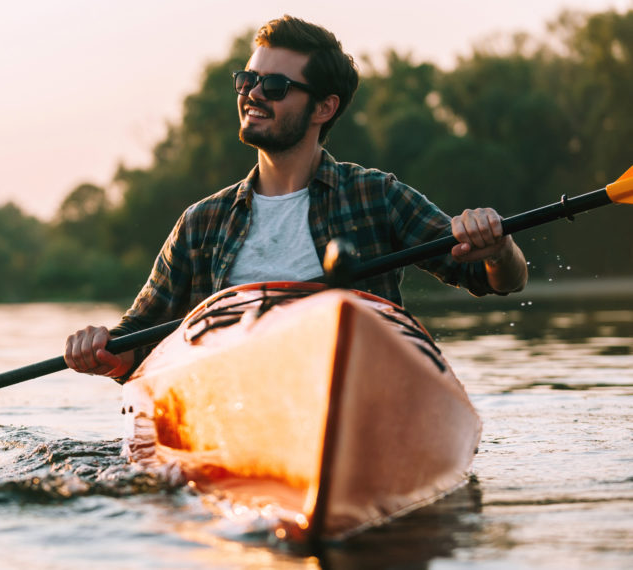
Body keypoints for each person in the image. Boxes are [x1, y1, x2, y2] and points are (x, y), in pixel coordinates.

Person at [64, 15, 528, 380]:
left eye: (275, 86)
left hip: (362, 390)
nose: (252, 94)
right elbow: (135, 344)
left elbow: (498, 279)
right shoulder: (201, 223)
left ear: (324, 107)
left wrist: (499, 249)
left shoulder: (375, 195)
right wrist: (102, 351)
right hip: (236, 403)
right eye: (247, 80)